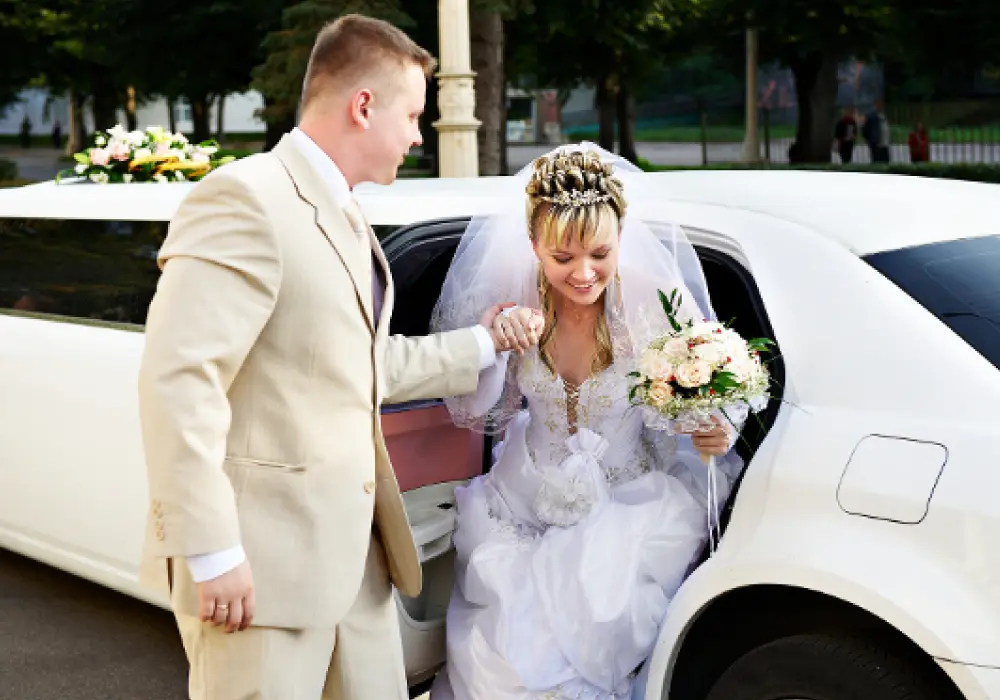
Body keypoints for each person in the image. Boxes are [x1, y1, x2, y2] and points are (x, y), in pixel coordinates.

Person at [136, 14, 540, 700]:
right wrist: (212, 549)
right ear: (363, 106)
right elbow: (179, 382)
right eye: (413, 114)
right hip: (260, 572)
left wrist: (481, 342)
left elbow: (355, 360)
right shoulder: (246, 199)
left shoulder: (347, 215)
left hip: (355, 563)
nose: (418, 134)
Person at [428, 144, 744, 700]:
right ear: (534, 248)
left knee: (601, 623)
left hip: (630, 506)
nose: (583, 273)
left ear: (621, 238)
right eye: (562, 258)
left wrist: (715, 427)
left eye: (600, 253)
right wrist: (493, 346)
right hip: (526, 502)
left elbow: (706, 390)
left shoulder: (652, 296)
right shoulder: (509, 298)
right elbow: (474, 411)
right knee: (505, 651)